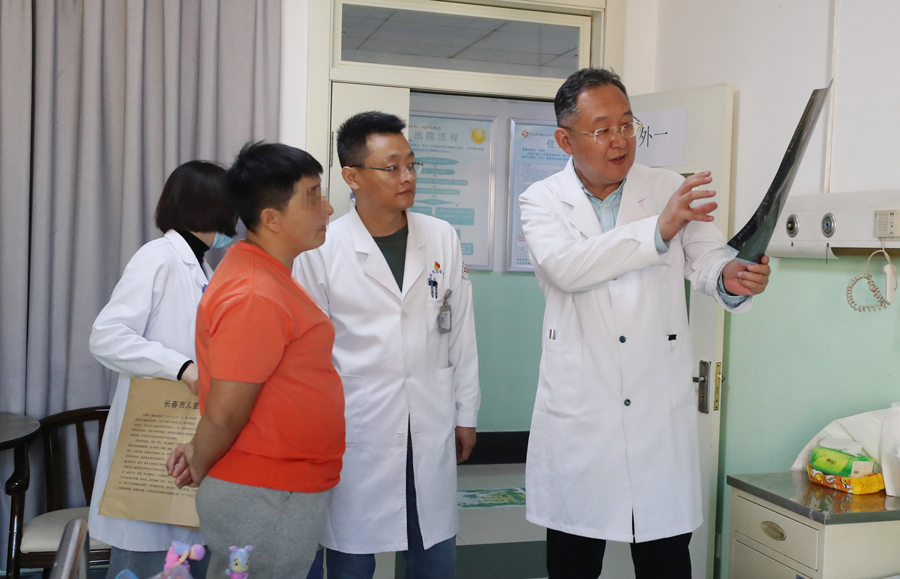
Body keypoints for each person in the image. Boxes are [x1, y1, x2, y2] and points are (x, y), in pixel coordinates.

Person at [519, 67, 772, 579]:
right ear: (565, 140)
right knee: (573, 562)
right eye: (602, 129)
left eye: (627, 125)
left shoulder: (666, 187)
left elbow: (706, 258)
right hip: (582, 411)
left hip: (656, 408)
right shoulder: (540, 200)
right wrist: (657, 229)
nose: (620, 140)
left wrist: (731, 276)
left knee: (665, 559)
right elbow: (568, 269)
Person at [294, 111, 480, 579]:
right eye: (392, 167)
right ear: (352, 176)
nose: (407, 177)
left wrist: (466, 413)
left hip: (429, 418)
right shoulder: (321, 248)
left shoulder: (441, 236)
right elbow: (308, 354)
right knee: (352, 560)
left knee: (434, 555)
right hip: (357, 428)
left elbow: (461, 332)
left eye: (411, 165)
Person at [166, 142, 344, 578]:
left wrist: (199, 449)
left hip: (273, 488)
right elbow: (225, 410)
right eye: (312, 196)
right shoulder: (254, 292)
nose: (327, 208)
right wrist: (200, 460)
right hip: (264, 494)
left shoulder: (266, 276)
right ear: (271, 218)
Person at [89, 160, 238, 577]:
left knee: (184, 556)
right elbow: (106, 337)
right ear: (211, 206)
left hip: (187, 435)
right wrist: (182, 367)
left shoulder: (202, 267)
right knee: (149, 558)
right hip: (153, 435)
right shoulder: (157, 258)